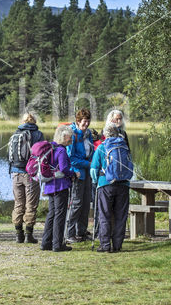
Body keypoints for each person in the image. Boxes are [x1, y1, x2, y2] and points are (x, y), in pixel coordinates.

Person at [90, 124, 130, 253]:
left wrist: (96, 182)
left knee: (105, 215)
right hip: (124, 184)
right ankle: (117, 245)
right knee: (120, 216)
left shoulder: (101, 147)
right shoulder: (124, 146)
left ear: (104, 135)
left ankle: (105, 245)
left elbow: (93, 169)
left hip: (105, 185)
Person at [40, 124, 76, 252]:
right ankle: (57, 244)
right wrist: (73, 174)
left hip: (50, 185)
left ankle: (46, 242)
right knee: (60, 215)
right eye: (70, 137)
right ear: (64, 136)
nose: (71, 139)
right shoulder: (61, 150)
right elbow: (64, 168)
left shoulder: (51, 148)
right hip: (60, 186)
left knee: (52, 214)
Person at [9, 112, 44, 243]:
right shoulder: (38, 134)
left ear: (23, 121)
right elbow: (42, 154)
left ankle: (19, 234)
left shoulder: (16, 133)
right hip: (31, 174)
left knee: (18, 203)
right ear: (34, 121)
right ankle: (29, 235)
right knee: (31, 205)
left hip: (15, 173)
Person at [66, 108, 95, 243]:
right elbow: (70, 158)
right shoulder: (73, 134)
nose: (86, 125)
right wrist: (88, 164)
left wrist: (94, 162)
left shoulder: (88, 134)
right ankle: (69, 233)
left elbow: (91, 152)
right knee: (76, 204)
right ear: (78, 121)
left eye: (88, 122)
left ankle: (81, 232)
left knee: (85, 204)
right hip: (77, 174)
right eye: (84, 122)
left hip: (88, 173)